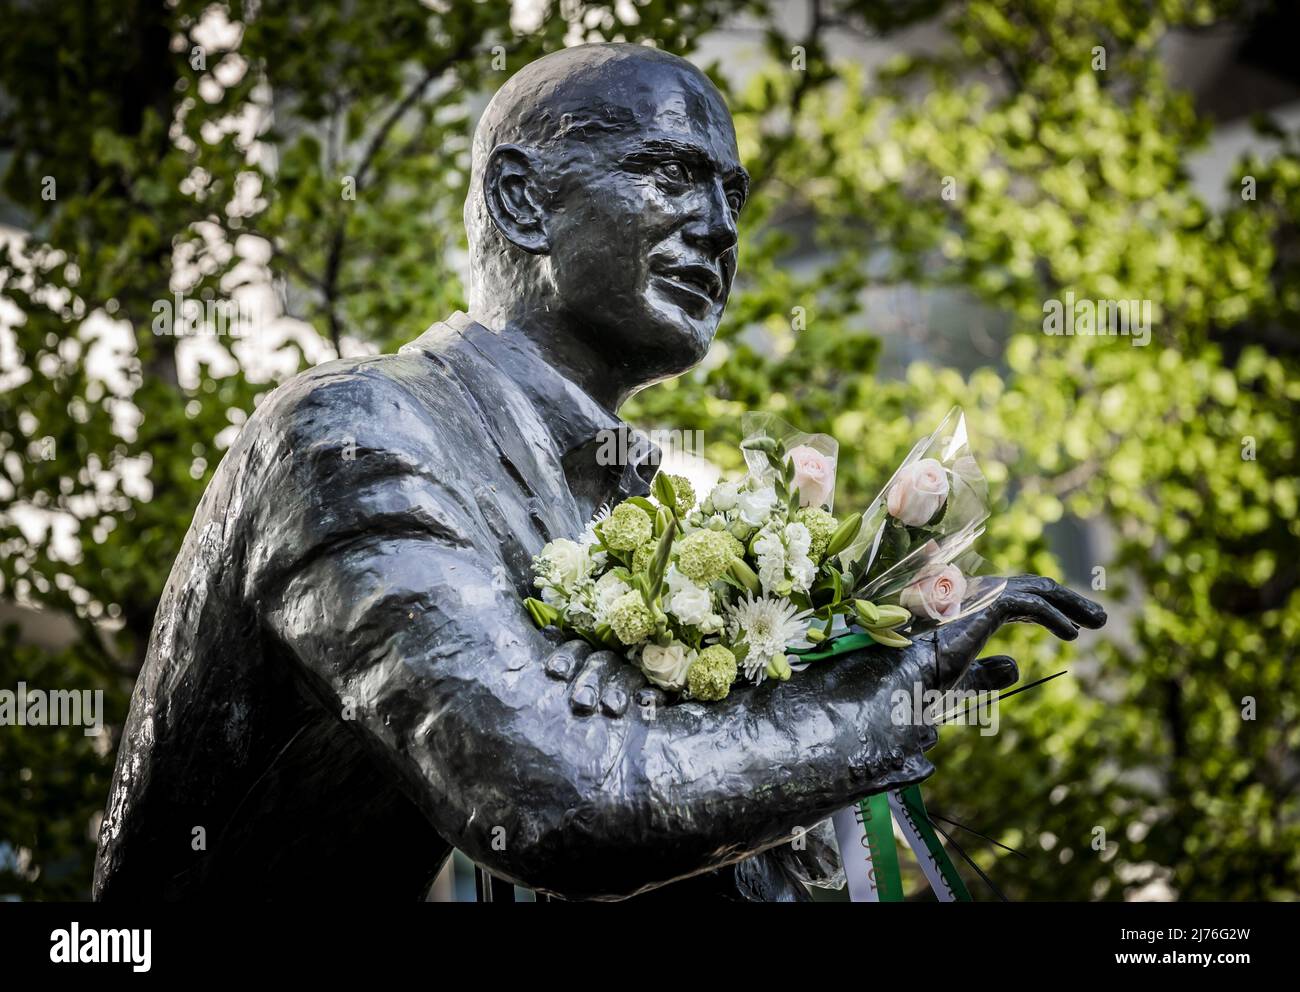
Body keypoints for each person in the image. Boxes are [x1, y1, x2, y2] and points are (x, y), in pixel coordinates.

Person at [94, 43, 1104, 901]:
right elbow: (546, 794)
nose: (719, 227)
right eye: (669, 174)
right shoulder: (351, 432)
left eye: (732, 193)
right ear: (522, 201)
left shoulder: (641, 510)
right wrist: (876, 705)